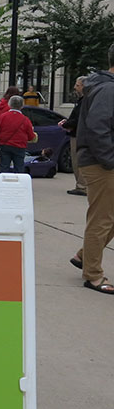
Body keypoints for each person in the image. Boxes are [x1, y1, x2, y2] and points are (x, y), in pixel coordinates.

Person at [70, 43, 114, 294]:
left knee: (108, 219)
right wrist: (109, 161)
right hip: (101, 164)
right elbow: (98, 127)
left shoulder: (102, 86)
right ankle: (93, 275)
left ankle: (84, 256)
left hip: (100, 161)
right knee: (102, 219)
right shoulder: (108, 89)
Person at [0, 95, 36, 173]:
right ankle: (18, 183)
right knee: (19, 167)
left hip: (5, 144)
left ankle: (4, 183)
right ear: (22, 106)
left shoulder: (2, 117)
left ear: (10, 104)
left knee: (4, 166)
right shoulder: (25, 119)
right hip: (19, 146)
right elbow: (30, 136)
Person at [62, 75, 88, 196]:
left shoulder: (84, 101)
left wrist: (66, 124)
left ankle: (82, 186)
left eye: (77, 85)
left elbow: (79, 119)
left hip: (79, 134)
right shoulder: (83, 101)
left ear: (83, 86)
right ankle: (81, 185)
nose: (75, 88)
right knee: (76, 160)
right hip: (78, 132)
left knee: (78, 160)